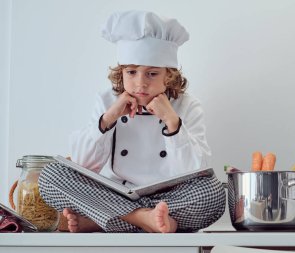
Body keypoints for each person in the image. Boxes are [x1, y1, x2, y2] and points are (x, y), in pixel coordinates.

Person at [38, 10, 226, 233]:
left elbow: (196, 170)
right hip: (114, 192)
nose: (140, 83)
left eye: (152, 74)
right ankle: (145, 219)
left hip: (170, 198)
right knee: (51, 175)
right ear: (121, 72)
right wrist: (108, 119)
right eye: (132, 72)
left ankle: (104, 220)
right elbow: (83, 163)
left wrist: (172, 123)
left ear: (169, 75)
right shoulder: (107, 100)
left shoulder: (187, 105)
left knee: (213, 193)